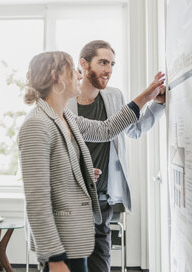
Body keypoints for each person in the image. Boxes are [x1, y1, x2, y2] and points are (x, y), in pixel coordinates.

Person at [18, 51, 164, 272]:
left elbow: (106, 130)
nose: (79, 76)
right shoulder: (36, 124)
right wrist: (54, 257)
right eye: (73, 71)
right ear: (55, 77)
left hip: (75, 240)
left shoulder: (66, 118)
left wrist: (147, 96)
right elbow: (37, 200)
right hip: (60, 248)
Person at [67, 40, 166, 272]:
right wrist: (145, 95)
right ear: (83, 64)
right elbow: (106, 130)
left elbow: (134, 129)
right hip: (72, 200)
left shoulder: (113, 96)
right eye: (102, 62)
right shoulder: (64, 104)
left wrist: (157, 105)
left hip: (102, 200)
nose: (109, 69)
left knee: (100, 265)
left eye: (112, 63)